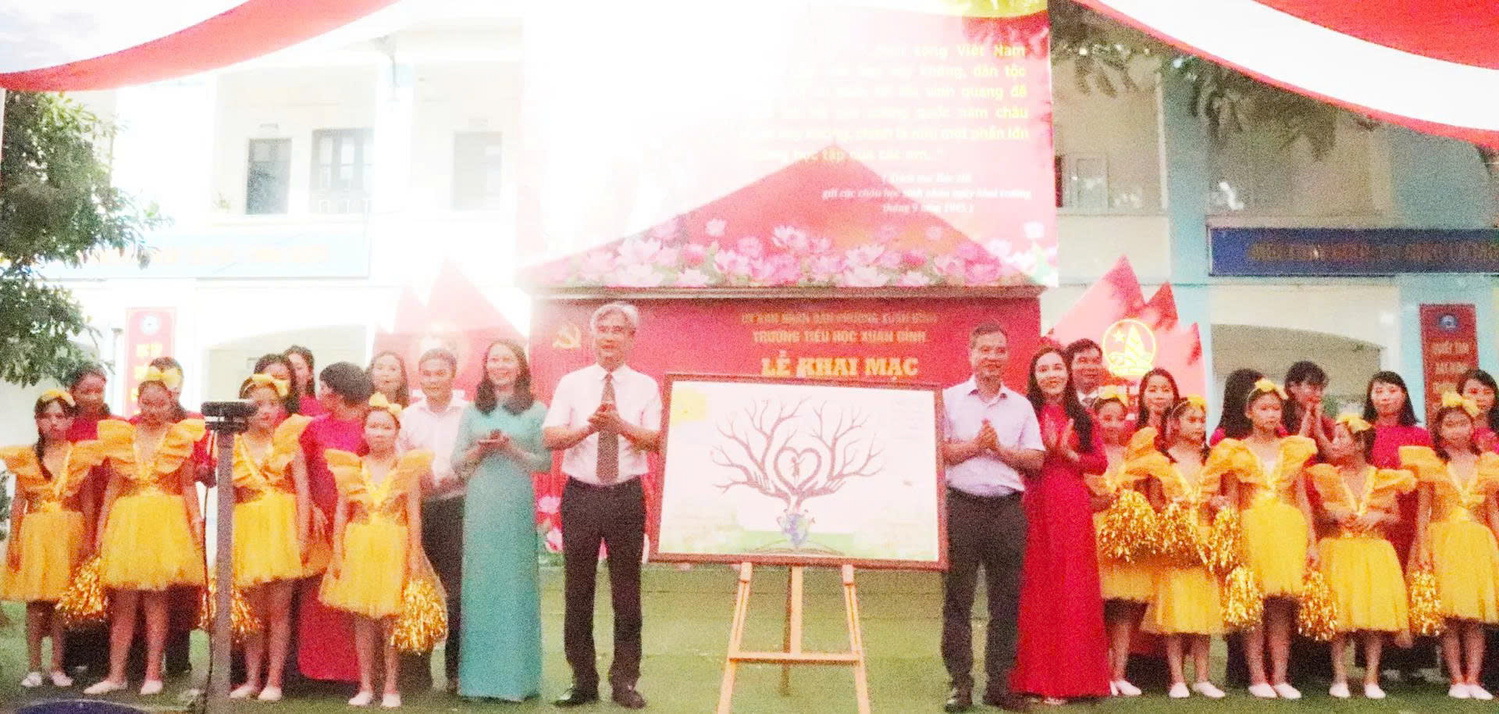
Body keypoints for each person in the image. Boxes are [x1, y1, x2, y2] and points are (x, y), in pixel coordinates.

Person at [543, 302, 661, 710]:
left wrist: (618, 425)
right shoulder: (572, 383)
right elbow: (551, 437)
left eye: (618, 330)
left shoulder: (645, 386)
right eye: (603, 329)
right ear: (593, 336)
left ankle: (625, 681)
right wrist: (589, 427)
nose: (609, 336)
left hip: (626, 496)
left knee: (627, 593)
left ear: (631, 338)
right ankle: (582, 680)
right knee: (578, 591)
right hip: (581, 496)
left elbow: (657, 440)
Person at [939, 324, 1043, 713]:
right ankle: (959, 684)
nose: (993, 357)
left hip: (1006, 511)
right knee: (958, 600)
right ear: (971, 354)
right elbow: (939, 451)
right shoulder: (949, 399)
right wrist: (975, 446)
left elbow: (1035, 459)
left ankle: (999, 685)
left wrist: (999, 449)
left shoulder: (1020, 406)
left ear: (1007, 356)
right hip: (962, 507)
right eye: (985, 349)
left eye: (1000, 350)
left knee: (1006, 601)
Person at [83, 379, 206, 696]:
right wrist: (101, 528)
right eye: (147, 404)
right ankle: (116, 674)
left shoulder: (180, 438)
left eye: (160, 404)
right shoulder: (124, 437)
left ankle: (153, 673)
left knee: (156, 601)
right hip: (128, 522)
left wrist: (196, 520)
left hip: (165, 523)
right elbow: (113, 486)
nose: (152, 410)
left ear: (170, 404)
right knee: (123, 604)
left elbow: (188, 485)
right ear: (139, 402)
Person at [1203, 379, 1317, 699]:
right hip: (1252, 528)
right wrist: (1230, 530)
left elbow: (1301, 497)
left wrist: (1311, 541)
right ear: (1249, 412)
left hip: (1287, 528)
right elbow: (1233, 497)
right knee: (1253, 605)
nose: (1270, 414)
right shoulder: (1236, 450)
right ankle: (1257, 676)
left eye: (1275, 408)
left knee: (1281, 604)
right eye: (1263, 408)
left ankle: (1280, 676)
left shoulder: (1292, 448)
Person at [319, 396, 435, 708]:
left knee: (390, 618)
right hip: (359, 543)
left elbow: (414, 514)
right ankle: (366, 685)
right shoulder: (352, 467)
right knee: (362, 618)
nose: (379, 433)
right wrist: (338, 551)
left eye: (386, 427)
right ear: (364, 431)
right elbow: (342, 512)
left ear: (397, 432)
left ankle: (391, 685)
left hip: (394, 544)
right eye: (373, 426)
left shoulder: (407, 468)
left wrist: (414, 554)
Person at [1010, 346, 1111, 703]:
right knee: (1037, 587)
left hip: (1071, 505)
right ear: (1034, 377)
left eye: (1057, 368)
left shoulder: (1083, 417)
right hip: (1034, 503)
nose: (1051, 375)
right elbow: (1015, 458)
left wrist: (1069, 455)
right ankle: (1034, 680)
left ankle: (1073, 682)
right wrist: (1041, 454)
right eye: (1043, 370)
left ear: (1067, 373)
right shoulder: (1024, 412)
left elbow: (1100, 463)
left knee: (1073, 588)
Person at [452, 340, 552, 701]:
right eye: (494, 359)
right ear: (485, 366)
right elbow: (457, 462)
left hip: (515, 501)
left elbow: (545, 463)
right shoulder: (472, 411)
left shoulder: (537, 410)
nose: (500, 365)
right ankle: (478, 681)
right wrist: (480, 450)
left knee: (514, 584)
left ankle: (516, 681)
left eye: (507, 359)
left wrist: (510, 448)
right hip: (481, 502)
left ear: (520, 366)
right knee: (480, 585)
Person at [1, 390, 104, 689]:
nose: (54, 422)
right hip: (36, 531)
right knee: (36, 602)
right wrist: (15, 540)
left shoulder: (79, 455)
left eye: (60, 416)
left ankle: (58, 666)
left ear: (71, 421)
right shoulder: (27, 457)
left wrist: (88, 539)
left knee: (61, 601)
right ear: (37, 421)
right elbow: (19, 501)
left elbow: (87, 501)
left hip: (68, 530)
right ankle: (34, 666)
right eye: (46, 417)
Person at [1128, 398, 1227, 699]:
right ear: (1175, 424)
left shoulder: (1212, 460)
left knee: (1203, 609)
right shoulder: (1162, 460)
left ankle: (1202, 677)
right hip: (1174, 540)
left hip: (1204, 536)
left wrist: (1217, 504)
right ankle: (1177, 678)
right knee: (1175, 608)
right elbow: (1154, 501)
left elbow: (1220, 496)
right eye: (1191, 420)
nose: (1198, 426)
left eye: (1201, 420)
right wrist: (1171, 508)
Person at [1308, 415, 1413, 700]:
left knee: (1373, 616)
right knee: (1339, 616)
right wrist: (1333, 513)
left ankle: (1371, 677)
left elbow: (1396, 517)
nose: (1335, 443)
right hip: (1340, 550)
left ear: (1360, 443)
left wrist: (1379, 516)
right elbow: (1318, 514)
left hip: (1373, 550)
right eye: (1335, 437)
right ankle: (1339, 676)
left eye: (1341, 437)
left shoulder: (1382, 477)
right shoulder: (1329, 476)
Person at [1403, 393, 1499, 700]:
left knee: (1475, 615)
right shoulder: (1432, 464)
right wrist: (1422, 549)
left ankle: (1474, 679)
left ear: (1472, 426)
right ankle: (1456, 678)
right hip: (1443, 540)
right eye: (1450, 424)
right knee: (1450, 615)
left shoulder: (1487, 463)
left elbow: (1492, 509)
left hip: (1477, 541)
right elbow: (1422, 512)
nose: (1457, 430)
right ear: (1439, 430)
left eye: (1462, 423)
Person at [228, 374, 314, 702]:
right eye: (257, 404)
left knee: (279, 611)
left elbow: (303, 492)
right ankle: (252, 678)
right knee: (253, 611)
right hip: (249, 529)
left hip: (282, 529)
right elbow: (230, 497)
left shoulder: (289, 442)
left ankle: (274, 680)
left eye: (272, 404)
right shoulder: (232, 445)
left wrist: (302, 537)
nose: (265, 410)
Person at [293, 362, 374, 683]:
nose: (320, 392)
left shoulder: (369, 426)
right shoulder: (312, 428)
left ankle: (356, 672)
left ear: (338, 393)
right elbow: (296, 474)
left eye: (325, 387)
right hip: (320, 520)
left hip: (359, 520)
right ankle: (315, 670)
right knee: (318, 595)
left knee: (355, 590)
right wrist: (310, 507)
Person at [396, 348, 469, 692]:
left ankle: (457, 671)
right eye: (426, 373)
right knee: (416, 587)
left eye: (440, 373)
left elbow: (476, 455)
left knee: (458, 591)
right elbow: (397, 460)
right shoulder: (407, 416)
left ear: (453, 375)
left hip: (458, 507)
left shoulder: (469, 413)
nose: (433, 380)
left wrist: (453, 477)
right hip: (417, 509)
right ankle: (415, 670)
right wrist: (416, 481)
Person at [1085, 388, 1151, 697]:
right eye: (1106, 418)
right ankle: (1099, 672)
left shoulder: (1134, 456)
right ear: (1095, 419)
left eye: (1118, 418)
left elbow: (1145, 496)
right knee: (1097, 607)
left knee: (1124, 607)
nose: (1112, 424)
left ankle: (1120, 673)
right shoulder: (1088, 456)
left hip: (1126, 535)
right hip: (1095, 532)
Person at [62, 364, 114, 675]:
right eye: (86, 391)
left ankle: (103, 657)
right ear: (73, 392)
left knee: (107, 580)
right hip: (73, 512)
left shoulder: (117, 426)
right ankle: (70, 655)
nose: (93, 397)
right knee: (74, 579)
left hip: (112, 508)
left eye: (99, 390)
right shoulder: (65, 427)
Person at [1283, 361, 1334, 452]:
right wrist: (1304, 431)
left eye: (1321, 389)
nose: (1318, 394)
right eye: (1313, 388)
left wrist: (1319, 433)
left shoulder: (1326, 423)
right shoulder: (1278, 421)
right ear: (1293, 387)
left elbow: (1337, 457)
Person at [1458, 369, 1499, 451]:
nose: (1481, 398)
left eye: (1487, 392)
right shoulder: (1451, 426)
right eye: (1473, 392)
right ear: (1460, 395)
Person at [286, 346, 327, 417]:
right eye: (288, 367)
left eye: (298, 368)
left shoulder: (322, 408)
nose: (292, 372)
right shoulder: (273, 406)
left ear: (310, 374)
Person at [1065, 339, 1105, 409]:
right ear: (1069, 366)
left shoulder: (1112, 401)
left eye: (1096, 361)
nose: (1091, 367)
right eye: (1083, 361)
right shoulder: (1062, 402)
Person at [1136, 368, 1178, 433]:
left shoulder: (1184, 431)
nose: (1159, 396)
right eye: (1152, 390)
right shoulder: (1130, 430)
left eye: (1166, 390)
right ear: (1142, 396)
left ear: (1174, 395)